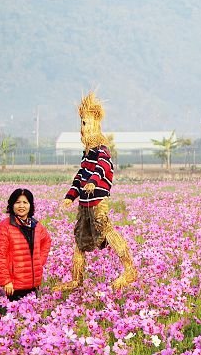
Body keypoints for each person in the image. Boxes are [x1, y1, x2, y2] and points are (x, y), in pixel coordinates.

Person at [53, 90, 138, 292]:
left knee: (106, 230)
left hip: (97, 200)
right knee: (80, 239)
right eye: (81, 123)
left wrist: (93, 182)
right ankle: (76, 279)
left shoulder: (101, 148)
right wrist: (70, 196)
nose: (82, 127)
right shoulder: (88, 152)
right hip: (84, 203)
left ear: (95, 122)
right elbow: (81, 175)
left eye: (85, 122)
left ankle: (129, 269)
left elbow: (104, 167)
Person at [0, 188, 52, 301]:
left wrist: (39, 261)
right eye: (18, 202)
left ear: (30, 205)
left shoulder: (36, 225)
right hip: (14, 285)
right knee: (16, 317)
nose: (21, 206)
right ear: (12, 205)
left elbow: (47, 241)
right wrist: (6, 281)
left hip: (33, 283)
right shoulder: (4, 227)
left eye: (25, 202)